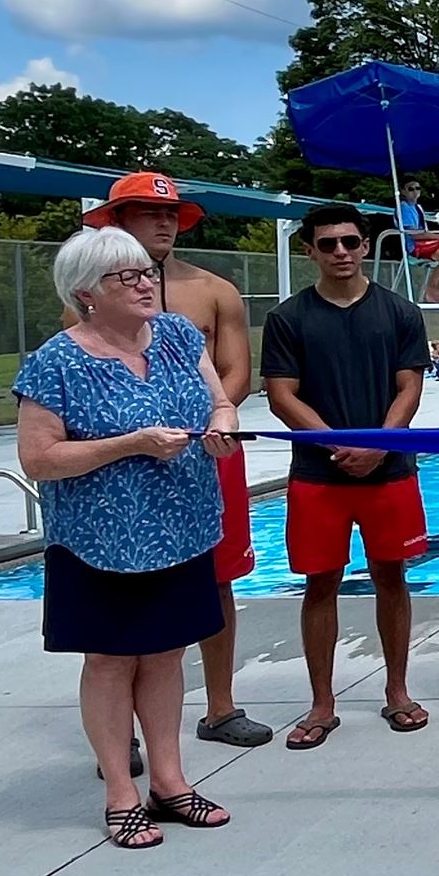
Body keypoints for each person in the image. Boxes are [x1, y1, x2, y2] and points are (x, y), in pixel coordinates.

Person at [16, 225, 243, 848]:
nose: (147, 283)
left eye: (148, 272)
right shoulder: (55, 362)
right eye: (129, 276)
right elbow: (38, 459)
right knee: (112, 662)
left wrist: (222, 423)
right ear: (87, 292)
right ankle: (121, 791)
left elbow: (219, 401)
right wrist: (133, 443)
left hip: (181, 530)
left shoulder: (173, 335)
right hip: (100, 544)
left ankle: (170, 784)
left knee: (167, 654)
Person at [78, 171, 270, 749]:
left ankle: (219, 705)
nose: (162, 222)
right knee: (123, 584)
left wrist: (212, 418)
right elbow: (83, 374)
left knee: (218, 579)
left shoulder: (213, 291)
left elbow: (236, 373)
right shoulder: (87, 298)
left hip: (208, 452)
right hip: (125, 464)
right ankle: (123, 729)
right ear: (117, 221)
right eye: (146, 212)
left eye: (170, 214)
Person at [263, 205, 432, 747]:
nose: (341, 252)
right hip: (319, 473)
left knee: (392, 577)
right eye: (328, 243)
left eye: (350, 242)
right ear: (309, 250)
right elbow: (280, 395)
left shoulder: (399, 312)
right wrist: (339, 444)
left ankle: (398, 691)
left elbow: (409, 386)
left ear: (364, 246)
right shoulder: (289, 318)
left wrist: (378, 444)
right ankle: (321, 702)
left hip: (389, 472)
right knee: (320, 583)